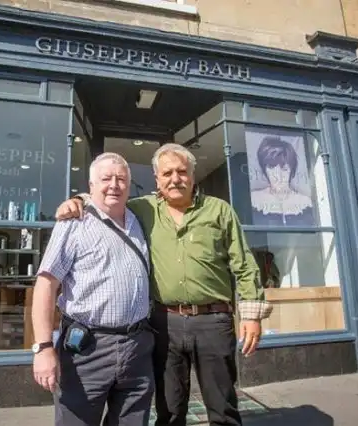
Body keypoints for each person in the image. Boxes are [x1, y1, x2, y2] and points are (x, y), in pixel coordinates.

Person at [55, 143, 273, 426]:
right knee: (169, 408)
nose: (175, 179)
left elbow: (243, 264)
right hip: (164, 323)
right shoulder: (143, 209)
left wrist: (252, 315)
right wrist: (79, 199)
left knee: (223, 406)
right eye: (167, 173)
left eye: (182, 172)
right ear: (157, 179)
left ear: (192, 175)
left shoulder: (219, 210)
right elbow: (108, 198)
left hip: (213, 321)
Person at [31, 152, 153, 426]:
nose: (114, 185)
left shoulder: (139, 221)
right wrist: (43, 348)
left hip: (137, 347)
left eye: (121, 179)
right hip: (87, 350)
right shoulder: (73, 223)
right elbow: (46, 285)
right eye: (106, 178)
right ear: (91, 185)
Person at [249, 136, 314, 226]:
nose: (278, 176)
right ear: (265, 170)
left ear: (292, 170)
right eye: (271, 168)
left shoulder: (305, 203)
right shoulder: (255, 200)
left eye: (284, 169)